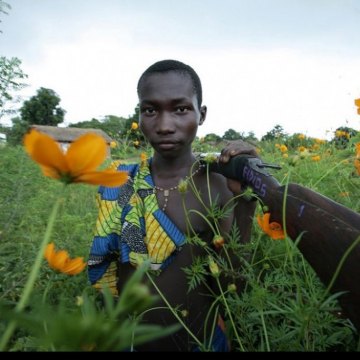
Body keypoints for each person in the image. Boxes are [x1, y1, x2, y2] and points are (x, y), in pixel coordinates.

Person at [88, 59, 258, 351]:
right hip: (130, 341)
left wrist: (245, 203)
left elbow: (234, 286)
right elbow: (109, 268)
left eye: (180, 109)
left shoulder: (217, 184)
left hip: (200, 342)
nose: (165, 126)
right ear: (139, 114)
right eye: (150, 110)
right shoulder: (119, 182)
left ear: (201, 114)